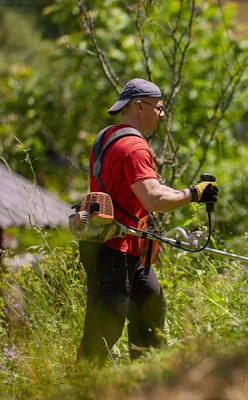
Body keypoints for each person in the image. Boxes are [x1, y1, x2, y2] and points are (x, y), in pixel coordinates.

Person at [76, 78, 219, 367]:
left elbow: (145, 189)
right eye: (159, 107)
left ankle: (149, 381)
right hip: (114, 251)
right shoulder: (135, 148)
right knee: (103, 333)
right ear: (139, 106)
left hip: (125, 249)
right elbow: (152, 198)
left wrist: (190, 191)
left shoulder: (106, 137)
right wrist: (192, 194)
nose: (162, 114)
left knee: (150, 309)